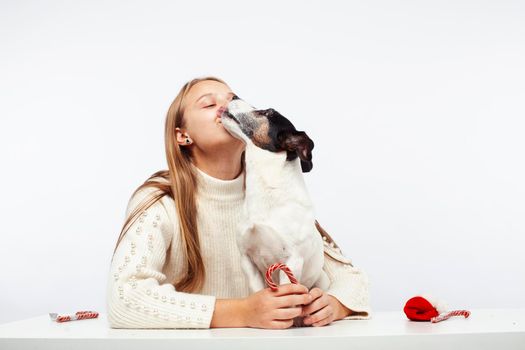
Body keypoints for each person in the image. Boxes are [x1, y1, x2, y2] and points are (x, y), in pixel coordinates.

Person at [106, 76, 371, 329]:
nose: (226, 106)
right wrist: (242, 312)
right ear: (182, 136)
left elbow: (352, 279)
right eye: (209, 104)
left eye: (233, 99)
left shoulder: (277, 198)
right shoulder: (160, 201)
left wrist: (335, 305)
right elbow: (124, 297)